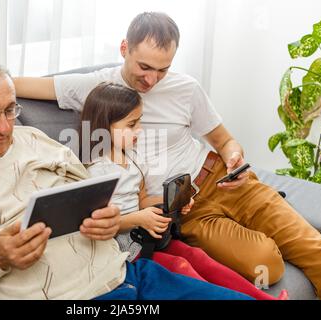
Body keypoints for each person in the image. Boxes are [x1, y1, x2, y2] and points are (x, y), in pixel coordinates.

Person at [0, 12, 321, 299]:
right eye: (144, 67)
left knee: (318, 252)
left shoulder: (41, 143)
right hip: (165, 227)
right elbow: (24, 84)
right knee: (268, 263)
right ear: (124, 50)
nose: (152, 80)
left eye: (10, 111)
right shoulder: (94, 91)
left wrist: (235, 158)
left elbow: (221, 139)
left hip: (210, 187)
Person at [0, 56, 253, 300]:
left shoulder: (33, 140)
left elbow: (90, 196)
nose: (5, 127)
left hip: (128, 275)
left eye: (9, 110)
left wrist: (108, 219)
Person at [82, 82, 287, 300]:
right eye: (132, 124)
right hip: (125, 253)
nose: (139, 130)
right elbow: (98, 225)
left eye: (139, 121)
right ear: (105, 127)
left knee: (198, 257)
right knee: (180, 265)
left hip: (149, 238)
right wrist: (138, 219)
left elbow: (142, 200)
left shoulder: (133, 156)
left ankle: (266, 298)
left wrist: (174, 201)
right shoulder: (97, 171)